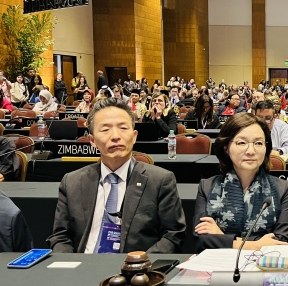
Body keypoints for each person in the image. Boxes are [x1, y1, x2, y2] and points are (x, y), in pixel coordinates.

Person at [47, 99, 186, 253]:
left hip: (135, 270)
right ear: (92, 140)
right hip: (83, 267)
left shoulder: (160, 181)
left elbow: (173, 235)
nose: (115, 136)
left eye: (123, 128)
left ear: (134, 136)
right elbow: (60, 237)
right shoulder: (72, 182)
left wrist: (140, 266)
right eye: (105, 129)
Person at [193, 113, 288, 252]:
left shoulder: (282, 188)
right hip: (219, 269)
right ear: (226, 147)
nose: (251, 151)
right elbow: (201, 240)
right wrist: (254, 245)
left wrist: (221, 237)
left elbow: (280, 242)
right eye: (241, 143)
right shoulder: (207, 187)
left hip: (263, 269)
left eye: (258, 143)